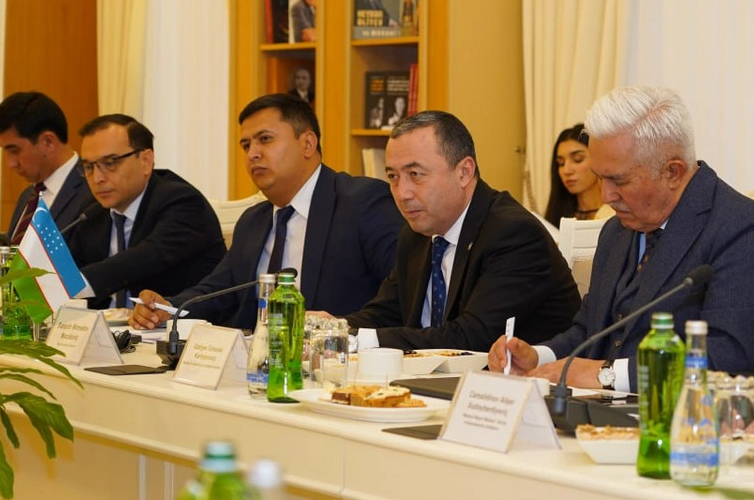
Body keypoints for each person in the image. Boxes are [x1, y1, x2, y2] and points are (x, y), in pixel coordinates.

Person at [489, 86, 754, 392]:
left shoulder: (746, 229)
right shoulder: (615, 230)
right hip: (600, 413)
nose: (606, 195)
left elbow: (728, 358)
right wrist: (538, 356)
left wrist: (607, 374)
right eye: (600, 177)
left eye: (619, 180)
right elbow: (590, 330)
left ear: (673, 172)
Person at [130, 94, 402, 330]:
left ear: (308, 144)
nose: (253, 154)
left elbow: (400, 301)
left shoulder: (362, 203)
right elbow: (217, 291)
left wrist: (338, 329)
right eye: (246, 145)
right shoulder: (254, 220)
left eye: (265, 139)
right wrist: (167, 309)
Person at [340, 110, 580, 351]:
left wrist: (360, 340)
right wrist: (334, 329)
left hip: (520, 374)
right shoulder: (417, 233)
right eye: (393, 176)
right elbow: (385, 313)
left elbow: (470, 338)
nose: (402, 193)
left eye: (415, 174)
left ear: (464, 172)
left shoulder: (514, 234)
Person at [66, 115, 225, 310]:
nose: (97, 178)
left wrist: (76, 283)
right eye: (89, 167)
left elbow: (146, 257)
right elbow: (71, 266)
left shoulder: (183, 202)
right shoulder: (93, 211)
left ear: (146, 161)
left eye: (110, 163)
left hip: (176, 324)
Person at [0, 91, 95, 242]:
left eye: (15, 151)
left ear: (48, 142)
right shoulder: (27, 196)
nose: (11, 163)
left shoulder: (93, 191)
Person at [543, 123, 614, 224]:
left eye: (578, 159)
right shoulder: (556, 215)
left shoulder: (616, 214)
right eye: (561, 163)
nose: (566, 170)